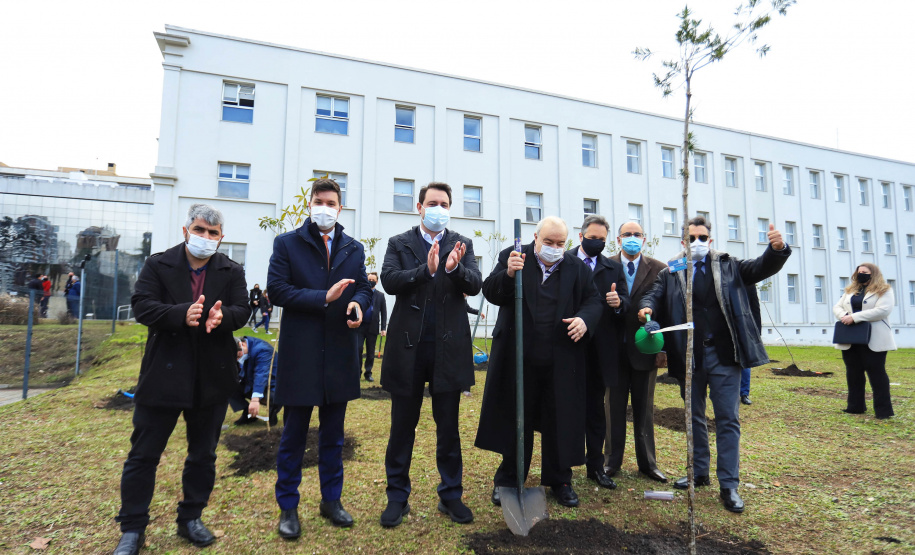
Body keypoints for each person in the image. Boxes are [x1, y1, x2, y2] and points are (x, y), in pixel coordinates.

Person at [113, 204, 249, 555]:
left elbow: (242, 309)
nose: (205, 237)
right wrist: (178, 313)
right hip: (164, 374)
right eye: (200, 230)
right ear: (185, 230)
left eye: (213, 233)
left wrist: (224, 317)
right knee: (143, 455)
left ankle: (191, 517)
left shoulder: (232, 270)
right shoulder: (158, 264)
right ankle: (132, 528)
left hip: (212, 376)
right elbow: (142, 305)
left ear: (221, 239)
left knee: (202, 455)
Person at [638, 216, 790, 514]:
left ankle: (729, 484)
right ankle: (699, 472)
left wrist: (777, 249)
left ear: (711, 239)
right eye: (691, 238)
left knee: (727, 419)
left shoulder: (729, 265)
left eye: (703, 237)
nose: (697, 243)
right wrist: (647, 308)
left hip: (724, 355)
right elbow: (653, 294)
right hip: (689, 356)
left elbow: (761, 267)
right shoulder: (672, 271)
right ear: (683, 242)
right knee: (693, 417)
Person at [267, 178, 371, 536]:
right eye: (319, 200)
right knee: (294, 435)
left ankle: (331, 500)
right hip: (301, 354)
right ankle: (288, 507)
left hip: (340, 353)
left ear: (340, 208)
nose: (324, 207)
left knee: (333, 436)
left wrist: (358, 304)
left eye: (331, 202)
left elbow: (364, 287)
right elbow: (277, 290)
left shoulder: (353, 249)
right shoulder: (287, 244)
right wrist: (322, 298)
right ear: (310, 205)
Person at [476, 216, 602, 509]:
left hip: (560, 360)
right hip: (518, 358)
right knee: (515, 419)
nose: (554, 248)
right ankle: (508, 479)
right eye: (548, 242)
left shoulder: (576, 268)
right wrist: (508, 275)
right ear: (535, 237)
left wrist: (585, 320)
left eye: (560, 243)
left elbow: (593, 302)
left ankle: (560, 480)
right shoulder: (514, 256)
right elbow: (491, 292)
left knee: (560, 420)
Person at [379, 182, 482, 527]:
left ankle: (451, 495)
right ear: (419, 207)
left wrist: (453, 268)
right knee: (401, 428)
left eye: (445, 203)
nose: (439, 208)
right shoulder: (399, 242)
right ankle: (397, 496)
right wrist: (428, 269)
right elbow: (389, 280)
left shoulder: (461, 244)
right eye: (433, 202)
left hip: (448, 350)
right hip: (408, 348)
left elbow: (475, 283)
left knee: (448, 428)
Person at [568, 215, 629, 490]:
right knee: (567, 409)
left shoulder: (613, 269)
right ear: (581, 237)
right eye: (592, 238)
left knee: (595, 412)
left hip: (600, 350)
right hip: (568, 345)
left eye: (602, 240)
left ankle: (596, 467)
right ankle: (564, 468)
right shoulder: (565, 261)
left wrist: (618, 304)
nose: (597, 243)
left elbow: (626, 305)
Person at [605, 220, 668, 483]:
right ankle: (611, 463)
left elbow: (665, 304)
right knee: (613, 409)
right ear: (618, 239)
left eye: (637, 234)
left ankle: (648, 464)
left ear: (644, 239)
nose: (633, 238)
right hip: (613, 352)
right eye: (627, 234)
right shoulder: (606, 265)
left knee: (645, 410)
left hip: (645, 350)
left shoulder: (660, 269)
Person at [833, 263, 896, 419]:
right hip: (851, 337)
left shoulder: (884, 290)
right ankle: (855, 406)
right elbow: (837, 307)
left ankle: (883, 411)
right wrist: (843, 316)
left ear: (873, 274)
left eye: (865, 272)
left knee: (877, 373)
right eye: (859, 272)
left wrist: (854, 317)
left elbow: (883, 310)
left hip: (874, 338)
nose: (861, 274)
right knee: (853, 373)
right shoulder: (850, 290)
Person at [232, 336, 282, 426]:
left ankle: (272, 411)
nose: (238, 359)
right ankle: (248, 412)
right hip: (250, 381)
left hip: (273, 386)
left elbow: (261, 374)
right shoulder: (240, 349)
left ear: (242, 344)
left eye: (238, 355)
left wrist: (255, 399)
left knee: (273, 396)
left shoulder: (262, 350)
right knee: (226, 385)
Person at [359, 272, 387, 382]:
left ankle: (368, 372)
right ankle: (357, 372)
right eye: (369, 279)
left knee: (371, 352)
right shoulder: (361, 293)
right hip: (360, 327)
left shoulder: (380, 295)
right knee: (358, 349)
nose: (370, 281)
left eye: (373, 279)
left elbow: (383, 312)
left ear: (376, 281)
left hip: (373, 327)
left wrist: (383, 328)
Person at [739, 284, 762, 406]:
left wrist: (757, 331)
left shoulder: (748, 281)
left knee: (746, 362)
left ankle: (744, 394)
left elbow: (755, 305)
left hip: (745, 327)